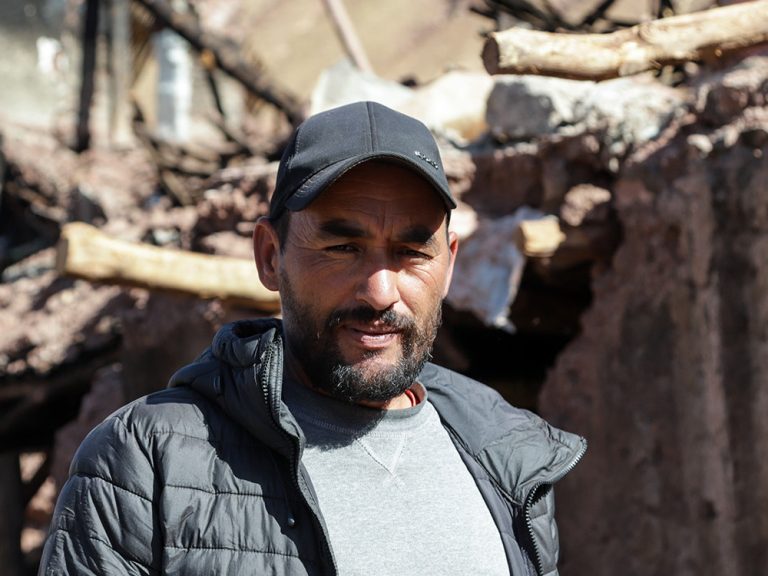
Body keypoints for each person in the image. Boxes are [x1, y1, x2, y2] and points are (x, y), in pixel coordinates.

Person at [39, 101, 586, 576]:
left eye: (412, 253)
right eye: (342, 249)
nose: (379, 292)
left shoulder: (510, 458)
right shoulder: (144, 464)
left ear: (448, 267)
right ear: (271, 258)